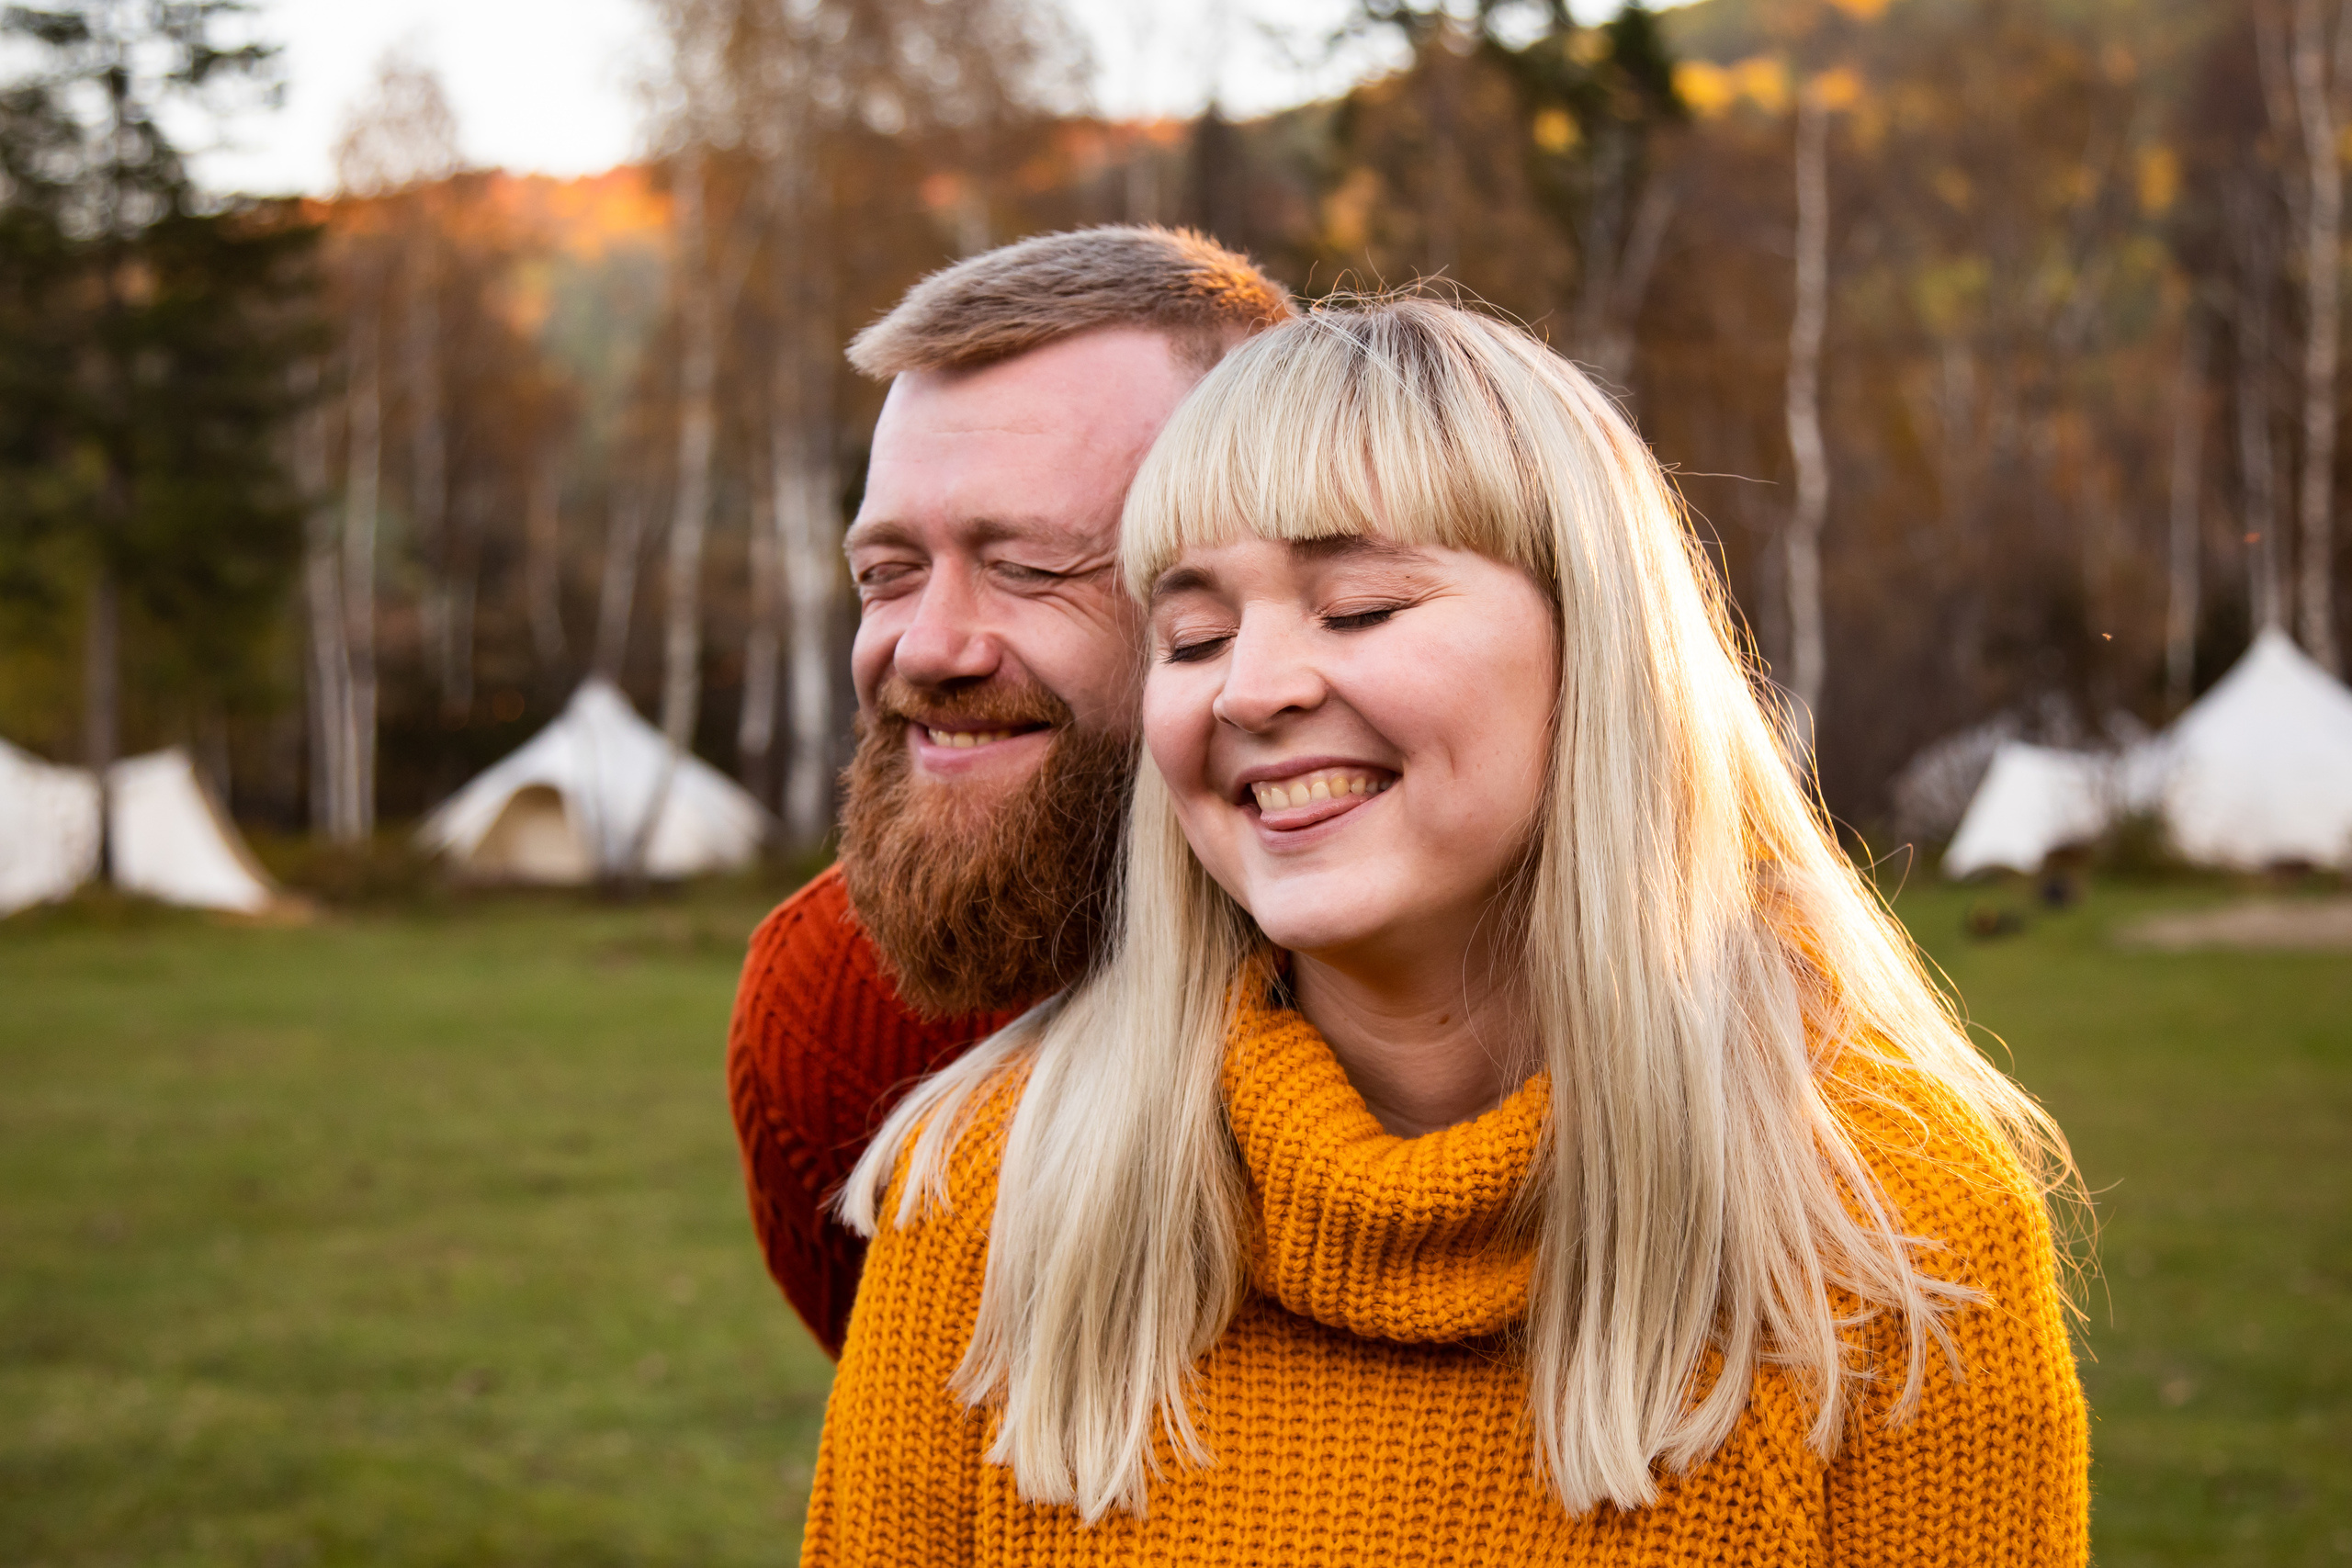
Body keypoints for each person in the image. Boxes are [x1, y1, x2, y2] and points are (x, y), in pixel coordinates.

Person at [799, 297, 2090, 1563]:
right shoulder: (991, 1196)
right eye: (1193, 635)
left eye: (1357, 607)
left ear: (1596, 651)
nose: (1252, 687)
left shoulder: (1896, 1242)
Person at [725, 226, 1294, 1355]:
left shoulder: (1537, 969)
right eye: (886, 575)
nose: (927, 648)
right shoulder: (839, 1017)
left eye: (1027, 568)